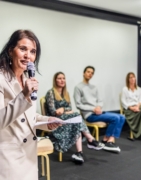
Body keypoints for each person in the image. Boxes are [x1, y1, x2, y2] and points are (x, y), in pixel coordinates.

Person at [0, 30, 61, 180]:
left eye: (33, 51)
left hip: (28, 154)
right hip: (8, 156)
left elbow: (28, 117)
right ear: (10, 50)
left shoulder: (28, 79)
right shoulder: (1, 79)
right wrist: (24, 95)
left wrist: (47, 121)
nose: (28, 55)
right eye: (23, 49)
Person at [45, 72, 104, 163]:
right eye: (59, 78)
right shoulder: (51, 93)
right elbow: (54, 111)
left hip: (65, 119)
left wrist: (63, 109)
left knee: (76, 122)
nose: (62, 80)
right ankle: (90, 139)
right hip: (55, 121)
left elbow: (70, 109)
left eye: (63, 78)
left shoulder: (66, 93)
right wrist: (64, 110)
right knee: (77, 117)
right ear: (55, 80)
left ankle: (79, 153)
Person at [74, 66, 125, 153]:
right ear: (84, 73)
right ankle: (107, 142)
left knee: (122, 117)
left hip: (98, 112)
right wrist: (93, 109)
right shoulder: (78, 87)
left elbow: (100, 101)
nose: (90, 74)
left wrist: (98, 107)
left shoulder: (94, 87)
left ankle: (107, 141)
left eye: (92, 73)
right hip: (89, 115)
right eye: (88, 72)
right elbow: (78, 105)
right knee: (115, 118)